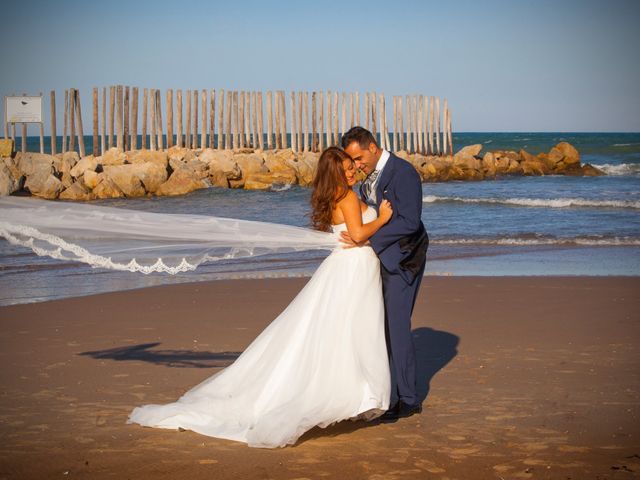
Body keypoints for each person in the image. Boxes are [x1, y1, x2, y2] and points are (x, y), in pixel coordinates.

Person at [126, 147, 395, 448]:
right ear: (334, 172)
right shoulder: (345, 196)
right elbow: (357, 235)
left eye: (351, 166)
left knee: (342, 331)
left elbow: (352, 233)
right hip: (353, 268)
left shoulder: (334, 196)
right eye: (346, 167)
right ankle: (355, 394)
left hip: (348, 268)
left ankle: (356, 394)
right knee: (351, 330)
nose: (351, 171)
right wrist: (383, 218)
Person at [341, 127, 428, 420]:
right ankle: (379, 392)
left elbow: (410, 222)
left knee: (396, 327)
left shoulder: (403, 173)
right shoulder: (367, 177)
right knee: (375, 327)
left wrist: (368, 239)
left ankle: (408, 399)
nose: (356, 165)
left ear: (373, 147)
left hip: (402, 259)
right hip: (375, 261)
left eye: (359, 157)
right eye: (351, 160)